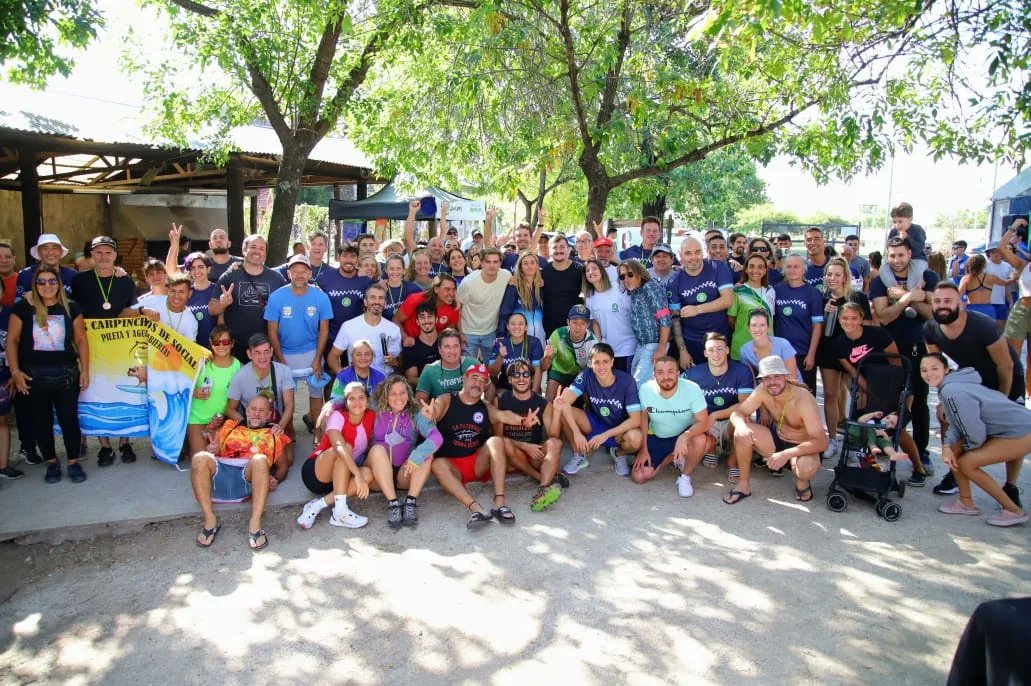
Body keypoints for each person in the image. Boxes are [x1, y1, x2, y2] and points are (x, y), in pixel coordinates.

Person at [924, 282, 1024, 494]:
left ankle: (1011, 486)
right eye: (938, 301)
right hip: (971, 382)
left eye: (948, 301)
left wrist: (1001, 400)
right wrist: (944, 401)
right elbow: (938, 367)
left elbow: (1005, 365)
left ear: (960, 303)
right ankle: (954, 473)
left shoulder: (982, 326)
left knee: (1013, 430)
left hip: (1006, 378)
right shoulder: (930, 328)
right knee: (946, 420)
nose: (943, 305)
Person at [72, 235, 159, 465]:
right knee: (96, 391)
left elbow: (127, 311)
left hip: (121, 346)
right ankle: (104, 446)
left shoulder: (125, 281)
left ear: (114, 256)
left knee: (124, 391)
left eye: (108, 252)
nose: (103, 257)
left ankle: (125, 442)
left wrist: (141, 313)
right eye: (98, 252)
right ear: (92, 255)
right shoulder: (80, 281)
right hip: (92, 347)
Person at [922, 354, 1027, 527]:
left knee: (966, 463)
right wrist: (948, 446)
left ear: (946, 369)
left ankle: (1013, 510)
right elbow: (956, 422)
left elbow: (975, 433)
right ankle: (966, 502)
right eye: (924, 370)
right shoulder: (952, 385)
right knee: (955, 451)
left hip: (1020, 431)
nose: (929, 374)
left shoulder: (950, 391)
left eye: (934, 368)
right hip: (1011, 429)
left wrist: (962, 449)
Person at [429, 363, 538, 528]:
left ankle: (500, 503)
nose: (477, 384)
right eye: (474, 378)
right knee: (436, 464)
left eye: (482, 381)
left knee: (496, 441)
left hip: (477, 463)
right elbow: (435, 410)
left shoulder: (485, 407)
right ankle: (476, 509)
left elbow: (502, 415)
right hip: (452, 467)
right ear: (463, 379)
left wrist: (523, 421)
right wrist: (431, 414)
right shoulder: (447, 399)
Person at [8, 265, 89, 484]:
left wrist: (85, 371)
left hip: (65, 375)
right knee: (41, 422)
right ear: (35, 285)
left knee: (69, 420)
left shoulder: (71, 307)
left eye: (51, 281)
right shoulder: (23, 308)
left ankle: (73, 461)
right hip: (33, 377)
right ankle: (51, 463)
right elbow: (12, 341)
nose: (47, 286)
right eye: (41, 282)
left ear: (59, 284)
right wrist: (15, 371)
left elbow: (81, 340)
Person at [870, 235, 938, 473]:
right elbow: (884, 316)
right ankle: (883, 450)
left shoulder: (928, 277)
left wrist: (901, 296)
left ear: (910, 254)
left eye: (901, 254)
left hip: (920, 349)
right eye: (892, 255)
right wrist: (910, 297)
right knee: (886, 403)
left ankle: (922, 453)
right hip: (890, 350)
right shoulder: (880, 281)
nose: (896, 260)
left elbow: (933, 314)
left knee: (919, 403)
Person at [335, 376, 442, 528]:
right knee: (378, 449)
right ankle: (393, 503)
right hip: (376, 475)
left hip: (404, 473)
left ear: (408, 394)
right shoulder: (374, 408)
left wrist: (418, 454)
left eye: (402, 393)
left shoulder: (416, 414)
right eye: (393, 393)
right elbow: (353, 399)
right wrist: (331, 405)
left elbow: (437, 437)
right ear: (385, 394)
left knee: (427, 454)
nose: (398, 397)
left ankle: (410, 501)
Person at [724, 355, 828, 505]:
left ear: (785, 376)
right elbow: (738, 413)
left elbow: (821, 442)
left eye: (776, 376)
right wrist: (741, 427)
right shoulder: (762, 390)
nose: (772, 382)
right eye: (766, 378)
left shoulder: (802, 399)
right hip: (778, 439)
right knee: (741, 432)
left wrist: (786, 454)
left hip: (803, 447)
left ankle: (802, 482)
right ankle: (743, 484)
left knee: (805, 468)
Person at [190, 394, 289, 550]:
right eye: (253, 409)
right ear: (247, 411)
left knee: (260, 459)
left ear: (269, 414)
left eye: (262, 410)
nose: (256, 413)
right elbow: (209, 441)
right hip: (222, 474)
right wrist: (212, 450)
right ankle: (210, 521)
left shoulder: (274, 435)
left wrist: (276, 478)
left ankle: (255, 525)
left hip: (248, 479)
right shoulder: (230, 426)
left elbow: (283, 466)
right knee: (200, 457)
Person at [296, 381, 378, 530]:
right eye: (351, 398)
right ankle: (340, 511)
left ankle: (319, 505)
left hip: (341, 476)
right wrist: (356, 475)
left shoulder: (371, 416)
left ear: (367, 401)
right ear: (345, 402)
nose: (357, 402)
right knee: (345, 448)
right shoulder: (337, 416)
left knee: (367, 474)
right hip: (317, 472)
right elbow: (339, 447)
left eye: (361, 397)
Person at [265, 254, 333, 432]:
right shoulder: (277, 297)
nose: (300, 275)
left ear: (310, 274)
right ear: (289, 273)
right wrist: (279, 358)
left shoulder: (321, 297)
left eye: (304, 271)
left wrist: (318, 358)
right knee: (287, 396)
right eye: (295, 271)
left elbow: (324, 329)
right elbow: (272, 331)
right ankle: (289, 434)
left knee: (316, 393)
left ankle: (318, 432)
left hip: (311, 350)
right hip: (285, 352)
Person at [553, 342, 643, 477]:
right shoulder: (586, 375)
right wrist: (576, 433)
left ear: (612, 362)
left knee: (636, 438)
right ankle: (579, 454)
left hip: (617, 429)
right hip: (595, 423)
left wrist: (605, 435)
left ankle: (619, 454)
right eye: (597, 362)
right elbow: (564, 402)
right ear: (590, 363)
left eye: (605, 362)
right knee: (559, 408)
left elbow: (636, 419)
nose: (601, 367)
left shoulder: (626, 381)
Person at [816, 257, 872, 457]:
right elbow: (818, 329)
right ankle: (832, 439)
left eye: (837, 274)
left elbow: (869, 325)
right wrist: (824, 312)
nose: (832, 278)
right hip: (828, 352)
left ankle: (858, 440)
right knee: (830, 395)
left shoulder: (857, 298)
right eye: (829, 274)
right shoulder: (822, 298)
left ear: (845, 277)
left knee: (859, 395)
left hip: (853, 354)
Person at [495, 360, 566, 512]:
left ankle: (542, 490)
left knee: (555, 443)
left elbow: (553, 435)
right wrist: (523, 446)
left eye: (526, 374)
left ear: (532, 378)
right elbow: (497, 438)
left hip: (535, 455)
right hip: (513, 454)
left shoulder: (541, 402)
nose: (521, 378)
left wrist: (557, 411)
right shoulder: (501, 401)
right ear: (510, 379)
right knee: (504, 445)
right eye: (516, 375)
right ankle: (542, 477)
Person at [684, 332, 755, 482]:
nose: (716, 354)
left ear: (727, 350)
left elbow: (746, 404)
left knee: (745, 419)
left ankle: (732, 462)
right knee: (693, 417)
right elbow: (676, 392)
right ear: (705, 353)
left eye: (720, 349)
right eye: (711, 350)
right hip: (707, 423)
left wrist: (716, 415)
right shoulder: (692, 374)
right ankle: (712, 449)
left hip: (730, 420)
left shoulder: (742, 370)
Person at [225, 333, 296, 481]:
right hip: (252, 425)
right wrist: (248, 422)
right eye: (257, 353)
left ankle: (271, 478)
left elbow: (289, 405)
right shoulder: (240, 376)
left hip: (276, 422)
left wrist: (280, 426)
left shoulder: (283, 371)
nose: (262, 357)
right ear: (249, 354)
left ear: (271, 351)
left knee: (288, 461)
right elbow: (229, 408)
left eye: (266, 352)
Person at [633, 356, 708, 496]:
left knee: (702, 440)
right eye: (660, 372)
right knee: (640, 476)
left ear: (678, 374)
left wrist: (685, 436)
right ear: (653, 375)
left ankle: (685, 477)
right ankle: (674, 457)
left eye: (670, 371)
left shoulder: (692, 389)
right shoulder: (646, 389)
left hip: (684, 433)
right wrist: (643, 449)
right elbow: (644, 418)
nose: (666, 377)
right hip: (658, 434)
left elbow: (703, 422)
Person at [208, 234, 287, 363]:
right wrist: (222, 304)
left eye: (262, 249)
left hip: (263, 351)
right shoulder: (230, 275)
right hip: (234, 350)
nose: (257, 251)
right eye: (253, 247)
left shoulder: (276, 279)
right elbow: (212, 309)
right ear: (244, 251)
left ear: (265, 254)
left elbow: (292, 297)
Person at [669, 236, 734, 369]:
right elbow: (675, 318)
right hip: (691, 342)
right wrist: (682, 351)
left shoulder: (718, 267)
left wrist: (697, 309)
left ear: (703, 252)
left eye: (697, 252)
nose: (694, 257)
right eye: (688, 253)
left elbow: (728, 299)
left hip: (719, 338)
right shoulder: (674, 280)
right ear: (680, 255)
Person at [315, 242, 373, 365]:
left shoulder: (365, 280)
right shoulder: (324, 278)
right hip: (329, 336)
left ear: (357, 259)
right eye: (345, 255)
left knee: (353, 372)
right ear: (338, 257)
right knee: (329, 373)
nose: (349, 260)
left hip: (356, 337)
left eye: (352, 256)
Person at [772, 255, 824, 393]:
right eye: (788, 266)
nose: (792, 270)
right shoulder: (776, 291)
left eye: (796, 266)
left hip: (803, 353)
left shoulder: (813, 293)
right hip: (780, 354)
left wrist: (811, 354)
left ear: (804, 270)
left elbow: (817, 326)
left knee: (804, 394)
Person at [187, 325, 240, 457]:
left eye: (225, 342)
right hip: (197, 418)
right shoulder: (200, 362)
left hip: (221, 419)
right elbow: (179, 387)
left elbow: (239, 400)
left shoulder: (238, 367)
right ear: (211, 344)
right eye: (216, 342)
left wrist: (224, 418)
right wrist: (194, 393)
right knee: (200, 458)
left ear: (232, 343)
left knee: (218, 456)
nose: (221, 346)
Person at [328, 283, 402, 377]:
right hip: (357, 385)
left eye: (380, 298)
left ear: (385, 303)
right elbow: (332, 357)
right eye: (373, 297)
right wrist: (344, 378)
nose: (377, 301)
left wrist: (394, 361)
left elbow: (398, 362)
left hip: (384, 384)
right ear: (365, 302)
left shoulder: (394, 329)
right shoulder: (349, 326)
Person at [619, 259, 671, 385]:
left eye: (630, 274)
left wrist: (661, 348)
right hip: (642, 345)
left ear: (639, 273)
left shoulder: (650, 287)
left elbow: (665, 318)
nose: (626, 278)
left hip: (654, 345)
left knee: (639, 385)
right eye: (622, 276)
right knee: (636, 383)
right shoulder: (636, 292)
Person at [456, 246, 511, 362]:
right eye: (488, 262)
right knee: (468, 368)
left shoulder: (506, 276)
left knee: (491, 370)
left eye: (496, 262)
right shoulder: (468, 282)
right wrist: (460, 333)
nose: (492, 265)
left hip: (491, 332)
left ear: (500, 263)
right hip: (468, 332)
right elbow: (457, 308)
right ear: (481, 263)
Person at [583, 259, 635, 372]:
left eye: (594, 268)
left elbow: (634, 312)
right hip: (608, 349)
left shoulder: (618, 288)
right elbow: (595, 322)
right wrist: (599, 343)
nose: (591, 272)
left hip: (628, 346)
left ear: (602, 271)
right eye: (587, 270)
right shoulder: (589, 297)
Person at [998, 227, 1031, 399]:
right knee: (1011, 356)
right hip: (1022, 309)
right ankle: (1011, 394)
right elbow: (1002, 247)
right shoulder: (1023, 264)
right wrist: (1013, 227)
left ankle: (1028, 397)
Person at [542, 304, 598, 402]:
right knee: (549, 395)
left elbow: (592, 373)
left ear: (588, 325)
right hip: (560, 373)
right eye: (574, 322)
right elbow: (544, 367)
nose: (578, 327)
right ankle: (549, 415)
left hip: (581, 374)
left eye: (582, 323)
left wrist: (581, 381)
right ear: (568, 322)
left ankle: (587, 414)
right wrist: (547, 357)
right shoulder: (558, 334)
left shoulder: (593, 342)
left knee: (589, 390)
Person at [727, 253, 775, 360]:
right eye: (751, 266)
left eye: (760, 267)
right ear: (746, 270)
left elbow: (771, 319)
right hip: (742, 345)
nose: (755, 270)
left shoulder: (771, 291)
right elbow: (731, 320)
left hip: (766, 347)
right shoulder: (738, 291)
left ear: (765, 271)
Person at [415, 328, 479, 402]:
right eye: (447, 347)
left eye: (455, 346)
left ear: (460, 347)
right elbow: (419, 400)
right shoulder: (429, 371)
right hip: (441, 411)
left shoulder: (473, 365)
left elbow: (489, 387)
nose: (452, 351)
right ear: (439, 350)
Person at [489, 312, 544, 394]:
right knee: (501, 399)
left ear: (526, 327)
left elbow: (538, 371)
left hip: (528, 384)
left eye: (520, 324)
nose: (517, 327)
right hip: (506, 385)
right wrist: (500, 357)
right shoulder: (500, 343)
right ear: (508, 327)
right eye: (513, 324)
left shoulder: (534, 342)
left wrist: (534, 394)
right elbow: (493, 373)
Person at [541, 234, 585, 338]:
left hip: (575, 327)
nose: (558, 250)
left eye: (562, 247)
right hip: (550, 328)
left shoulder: (579, 269)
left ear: (568, 249)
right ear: (550, 250)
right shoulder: (544, 272)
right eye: (555, 247)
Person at [739, 309, 801, 381]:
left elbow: (792, 378)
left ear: (768, 328)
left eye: (762, 325)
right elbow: (751, 379)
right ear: (749, 328)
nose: (757, 329)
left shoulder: (783, 344)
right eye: (754, 325)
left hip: (792, 387)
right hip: (767, 387)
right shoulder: (745, 350)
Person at [499, 251, 546, 345]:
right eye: (525, 263)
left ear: (537, 265)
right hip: (518, 340)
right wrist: (501, 336)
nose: (530, 266)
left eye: (532, 262)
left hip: (540, 339)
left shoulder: (541, 287)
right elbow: (505, 313)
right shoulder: (514, 286)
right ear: (520, 267)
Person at [396, 273, 461, 342]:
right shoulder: (415, 300)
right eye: (447, 289)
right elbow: (396, 320)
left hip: (435, 346)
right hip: (412, 345)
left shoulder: (453, 306)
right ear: (436, 289)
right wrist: (404, 337)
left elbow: (450, 330)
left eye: (453, 289)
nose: (452, 293)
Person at [402, 302, 441, 387]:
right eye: (422, 317)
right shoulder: (411, 347)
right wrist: (435, 382)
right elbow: (411, 379)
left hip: (448, 387)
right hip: (423, 392)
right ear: (417, 322)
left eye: (430, 316)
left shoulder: (446, 342)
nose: (426, 321)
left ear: (436, 319)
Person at [958, 255, 1009, 320]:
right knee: (989, 329)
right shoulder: (991, 277)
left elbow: (958, 295)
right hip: (988, 309)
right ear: (984, 265)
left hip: (973, 309)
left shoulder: (966, 279)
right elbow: (1006, 283)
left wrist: (961, 306)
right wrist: (1013, 277)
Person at [154, 273, 199, 339]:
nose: (176, 296)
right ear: (167, 291)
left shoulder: (191, 322)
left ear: (189, 294)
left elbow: (189, 348)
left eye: (181, 292)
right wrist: (142, 311)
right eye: (173, 291)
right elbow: (132, 311)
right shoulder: (153, 301)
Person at [380, 254, 421, 323]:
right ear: (386, 270)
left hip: (407, 331)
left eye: (398, 268)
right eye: (391, 268)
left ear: (404, 270)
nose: (395, 272)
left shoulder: (413, 289)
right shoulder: (379, 289)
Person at [984, 244, 1015, 330]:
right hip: (987, 302)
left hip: (1001, 302)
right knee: (987, 328)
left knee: (1000, 329)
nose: (996, 254)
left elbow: (1007, 286)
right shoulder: (984, 265)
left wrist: (1011, 302)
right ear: (989, 254)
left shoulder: (1007, 266)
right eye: (993, 252)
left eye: (998, 251)